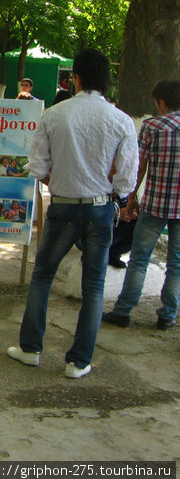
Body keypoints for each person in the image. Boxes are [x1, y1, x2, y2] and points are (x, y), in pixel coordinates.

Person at [7, 49, 137, 379]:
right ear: (107, 80)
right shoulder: (120, 120)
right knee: (94, 286)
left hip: (63, 206)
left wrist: (59, 181)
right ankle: (79, 362)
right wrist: (111, 192)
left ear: (74, 78)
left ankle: (30, 348)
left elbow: (36, 167)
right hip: (100, 208)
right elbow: (126, 178)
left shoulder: (55, 114)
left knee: (43, 276)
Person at [102, 79, 180, 331]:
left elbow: (140, 165)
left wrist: (131, 197)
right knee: (177, 264)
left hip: (155, 205)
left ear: (162, 102)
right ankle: (168, 315)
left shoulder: (152, 126)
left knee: (139, 259)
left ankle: (123, 311)